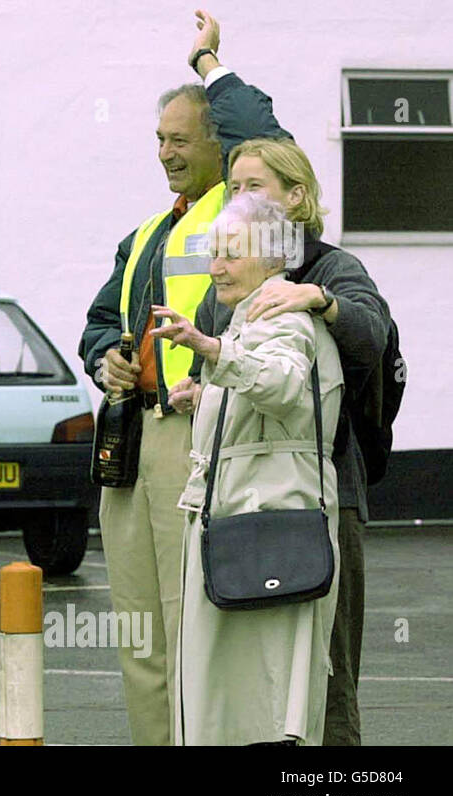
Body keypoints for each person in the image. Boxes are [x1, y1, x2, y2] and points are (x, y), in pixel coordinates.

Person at [175, 16, 393, 744]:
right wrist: (200, 389)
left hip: (323, 499)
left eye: (254, 183)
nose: (239, 192)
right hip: (237, 504)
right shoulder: (230, 279)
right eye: (231, 182)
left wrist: (319, 299)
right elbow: (228, 374)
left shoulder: (330, 268)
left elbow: (374, 334)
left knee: (321, 680)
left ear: (294, 198)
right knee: (248, 687)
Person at [75, 10, 287, 745]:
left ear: (216, 145)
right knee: (141, 635)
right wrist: (106, 354)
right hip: (133, 446)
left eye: (178, 139)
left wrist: (209, 65)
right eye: (158, 139)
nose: (164, 152)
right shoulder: (145, 235)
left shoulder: (245, 211)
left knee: (190, 622)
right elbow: (99, 321)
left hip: (195, 436)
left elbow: (267, 137)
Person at [151, 192, 343, 745]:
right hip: (244, 524)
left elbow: (282, 385)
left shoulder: (283, 315)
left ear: (273, 257)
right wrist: (206, 389)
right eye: (214, 253)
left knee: (261, 701)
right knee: (237, 698)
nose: (216, 267)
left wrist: (211, 352)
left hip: (263, 525)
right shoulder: (249, 316)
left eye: (231, 253)